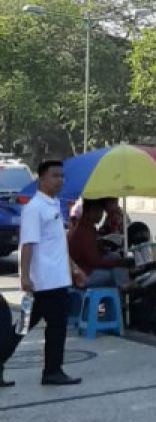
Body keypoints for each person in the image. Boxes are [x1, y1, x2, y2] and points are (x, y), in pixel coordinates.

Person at [18, 159, 86, 386]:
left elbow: (57, 245)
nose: (60, 180)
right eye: (55, 176)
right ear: (42, 179)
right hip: (44, 280)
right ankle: (52, 371)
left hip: (57, 277)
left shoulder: (54, 205)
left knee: (23, 326)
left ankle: (51, 370)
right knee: (54, 327)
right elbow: (28, 244)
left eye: (61, 176)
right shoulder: (34, 208)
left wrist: (74, 268)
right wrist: (24, 276)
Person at [67, 198, 133, 290]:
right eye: (100, 212)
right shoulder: (84, 232)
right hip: (83, 275)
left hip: (84, 269)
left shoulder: (86, 228)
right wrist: (120, 263)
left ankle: (125, 285)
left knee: (114, 256)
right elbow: (94, 261)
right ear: (91, 211)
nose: (101, 215)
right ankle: (126, 289)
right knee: (114, 274)